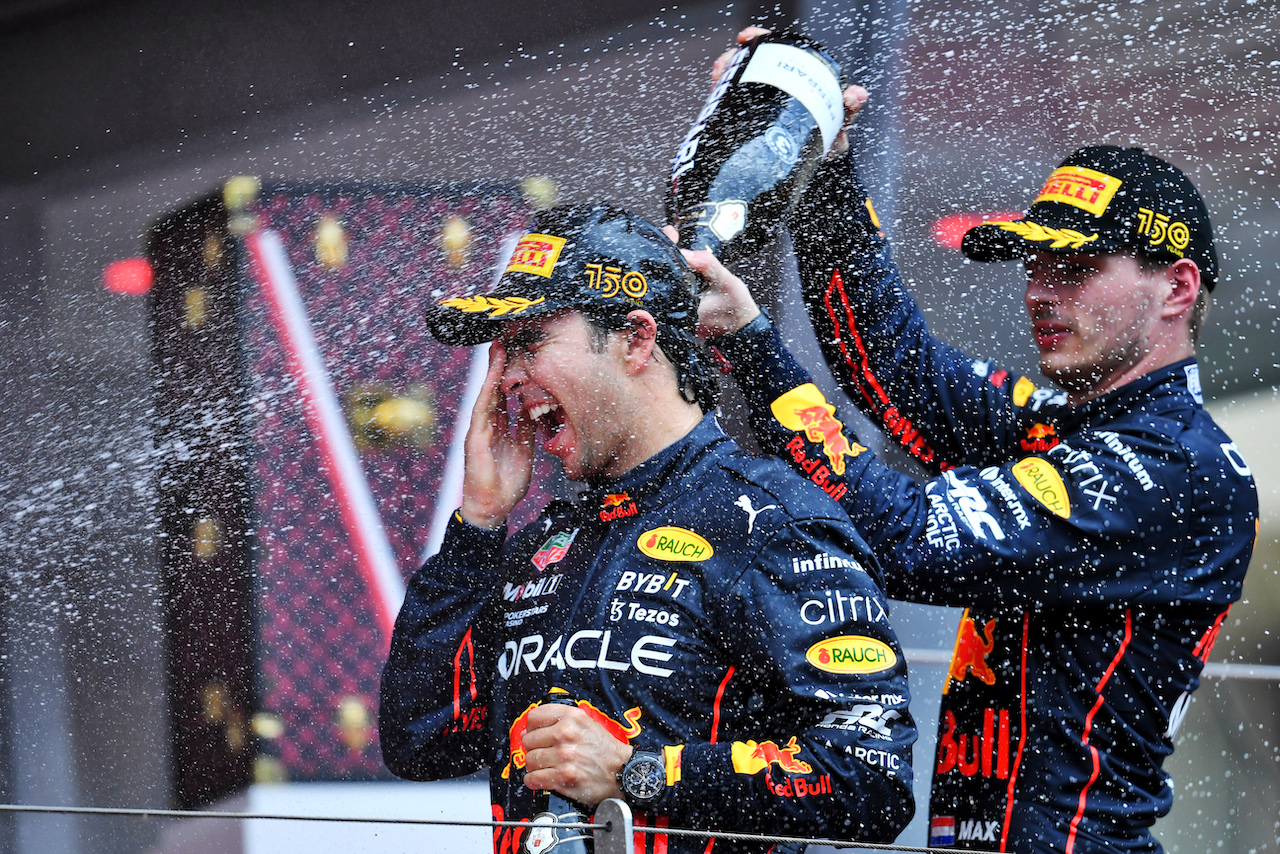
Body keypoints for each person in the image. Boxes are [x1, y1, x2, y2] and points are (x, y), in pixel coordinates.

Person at [684, 33, 1258, 854]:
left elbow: (910, 540)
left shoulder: (1177, 467)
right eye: (1033, 263)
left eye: (1076, 267)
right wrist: (824, 158)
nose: (1039, 291)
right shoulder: (1065, 426)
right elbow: (897, 367)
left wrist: (750, 343)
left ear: (1178, 287)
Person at [378, 203, 917, 854]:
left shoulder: (772, 521)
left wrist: (641, 773)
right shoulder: (545, 543)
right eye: (501, 351)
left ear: (636, 338)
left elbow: (872, 777)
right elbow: (418, 737)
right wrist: (479, 524)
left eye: (529, 341)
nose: (507, 378)